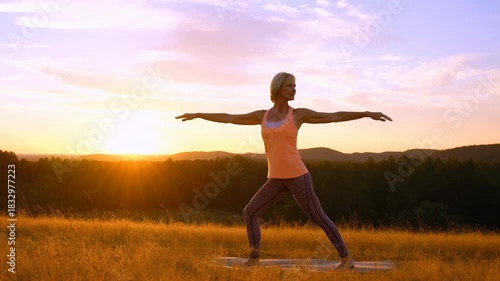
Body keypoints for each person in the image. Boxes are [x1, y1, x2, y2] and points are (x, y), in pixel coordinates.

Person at [176, 72, 392, 270]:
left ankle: (346, 260)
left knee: (318, 216)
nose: (294, 89)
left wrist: (366, 113)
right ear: (278, 88)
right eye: (290, 85)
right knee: (250, 212)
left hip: (298, 176)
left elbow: (333, 116)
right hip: (276, 178)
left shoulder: (298, 115)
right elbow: (230, 117)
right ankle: (253, 259)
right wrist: (199, 114)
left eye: (295, 85)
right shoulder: (262, 115)